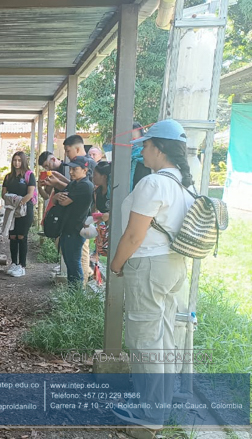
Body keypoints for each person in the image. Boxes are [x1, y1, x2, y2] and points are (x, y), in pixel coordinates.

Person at [109, 119, 194, 429]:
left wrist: (116, 265)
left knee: (145, 341)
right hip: (173, 266)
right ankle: (159, 405)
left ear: (159, 149)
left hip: (148, 266)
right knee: (163, 339)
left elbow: (134, 236)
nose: (142, 150)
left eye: (145, 145)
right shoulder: (185, 185)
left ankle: (150, 416)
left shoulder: (153, 183)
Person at [53, 156, 94, 285]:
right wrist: (57, 196)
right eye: (70, 169)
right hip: (67, 228)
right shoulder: (74, 184)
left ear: (85, 170)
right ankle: (73, 292)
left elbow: (63, 202)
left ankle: (76, 294)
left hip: (76, 230)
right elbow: (58, 198)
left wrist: (58, 197)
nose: (71, 172)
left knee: (74, 263)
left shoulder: (85, 185)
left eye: (74, 169)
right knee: (69, 262)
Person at [1, 152, 36, 277]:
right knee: (12, 236)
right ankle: (14, 263)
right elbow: (3, 193)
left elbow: (30, 194)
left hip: (25, 209)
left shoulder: (29, 175)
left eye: (19, 160)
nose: (17, 163)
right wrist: (12, 200)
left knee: (21, 236)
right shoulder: (8, 177)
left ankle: (22, 265)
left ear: (23, 161)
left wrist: (20, 202)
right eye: (15, 160)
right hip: (12, 210)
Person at [92, 161, 112, 263]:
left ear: (104, 176)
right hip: (104, 228)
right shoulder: (97, 192)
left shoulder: (113, 192)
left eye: (95, 175)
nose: (93, 177)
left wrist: (109, 216)